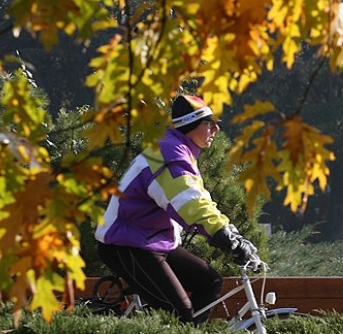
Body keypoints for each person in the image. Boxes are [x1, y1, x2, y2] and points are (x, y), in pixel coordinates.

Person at [94, 94, 260, 324]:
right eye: (209, 123)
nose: (216, 129)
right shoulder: (169, 154)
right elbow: (189, 202)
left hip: (153, 241)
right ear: (190, 126)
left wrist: (230, 233)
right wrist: (224, 236)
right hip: (126, 244)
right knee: (180, 312)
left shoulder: (180, 151)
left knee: (209, 282)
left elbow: (201, 199)